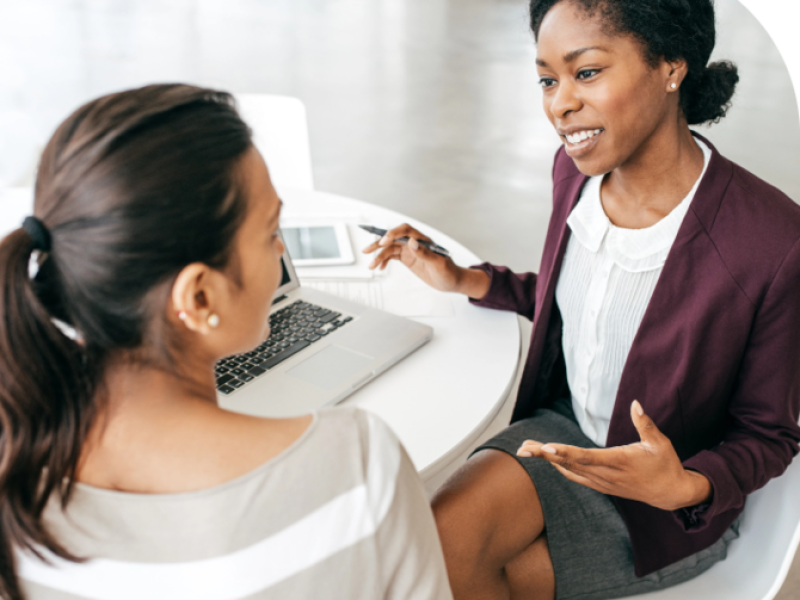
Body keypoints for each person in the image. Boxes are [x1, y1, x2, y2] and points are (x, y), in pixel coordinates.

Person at [364, 1, 800, 599]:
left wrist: (685, 486)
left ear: (672, 66)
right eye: (547, 79)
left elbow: (769, 434)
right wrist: (470, 280)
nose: (559, 104)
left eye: (586, 72)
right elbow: (585, 302)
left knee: (470, 571)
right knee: (430, 545)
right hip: (564, 430)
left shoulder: (774, 241)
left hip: (663, 506)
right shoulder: (575, 174)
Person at [0, 84, 453, 600]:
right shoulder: (357, 465)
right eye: (268, 233)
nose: (282, 250)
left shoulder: (17, 477)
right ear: (198, 296)